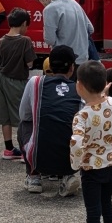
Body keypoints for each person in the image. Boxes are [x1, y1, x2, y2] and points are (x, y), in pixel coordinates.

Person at [70, 61, 112, 223]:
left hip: (91, 167)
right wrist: (104, 90)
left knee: (93, 210)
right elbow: (104, 96)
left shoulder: (81, 115)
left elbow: (77, 143)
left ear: (80, 86)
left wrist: (75, 164)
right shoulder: (110, 102)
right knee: (106, 204)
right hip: (110, 162)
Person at [19, 45, 82, 196]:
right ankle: (68, 176)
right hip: (71, 160)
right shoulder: (79, 89)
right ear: (72, 68)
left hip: (39, 159)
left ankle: (34, 176)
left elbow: (24, 115)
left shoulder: (35, 82)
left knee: (24, 125)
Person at [0, 7, 36, 160]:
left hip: (2, 79)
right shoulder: (25, 41)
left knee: (4, 114)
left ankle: (9, 149)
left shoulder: (1, 40)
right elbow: (30, 63)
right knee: (22, 116)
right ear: (24, 23)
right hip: (18, 81)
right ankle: (25, 150)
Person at [34, 0, 93, 65]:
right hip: (82, 60)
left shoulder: (50, 9)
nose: (42, 3)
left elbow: (49, 40)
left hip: (63, 61)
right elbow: (91, 29)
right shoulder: (74, 3)